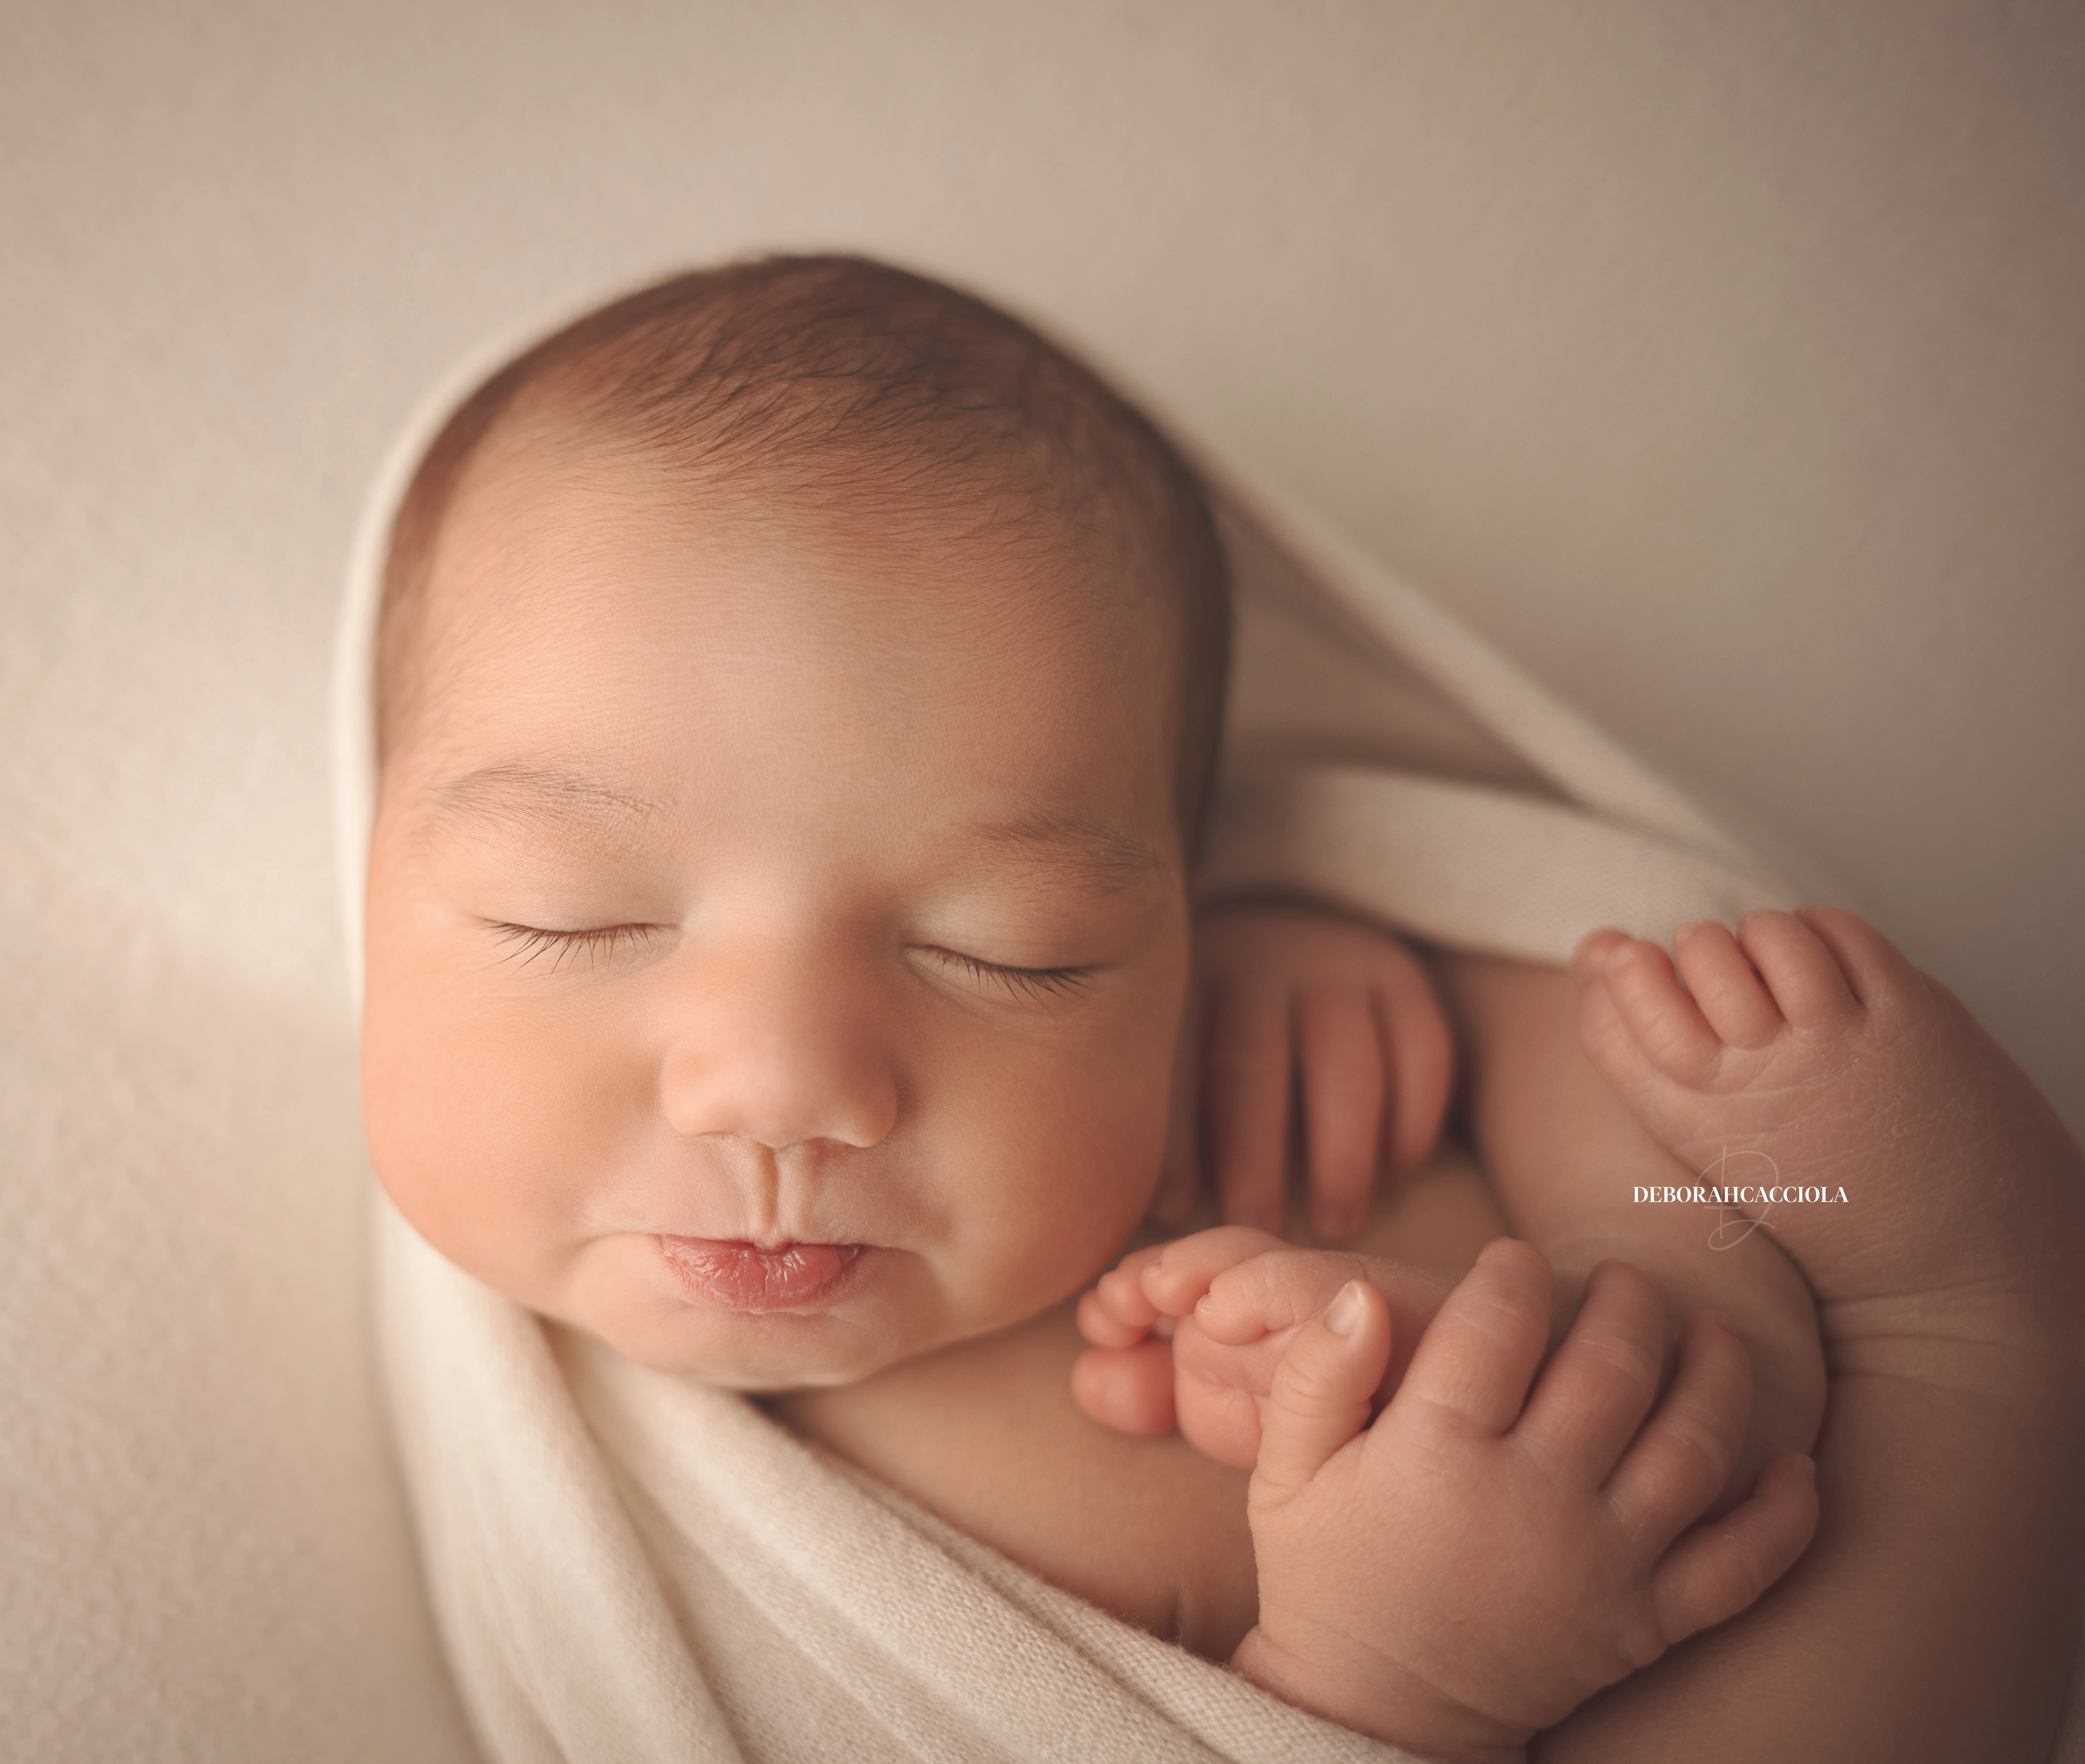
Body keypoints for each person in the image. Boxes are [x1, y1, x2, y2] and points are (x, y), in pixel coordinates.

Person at [358, 252, 2085, 1758]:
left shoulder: (1227, 1040)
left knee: (1640, 1093)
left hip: (1691, 1373)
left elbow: (1537, 988)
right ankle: (1982, 1326)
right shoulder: (634, 1581)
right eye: (566, 920)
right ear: (361, 883)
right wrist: (1389, 1679)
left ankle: (1886, 1296)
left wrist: (1403, 982)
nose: (787, 1086)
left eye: (1014, 949)